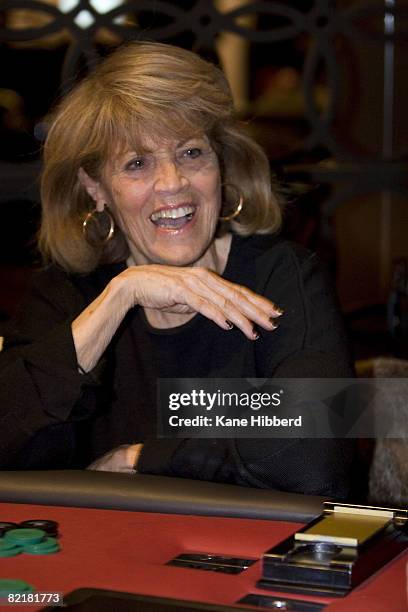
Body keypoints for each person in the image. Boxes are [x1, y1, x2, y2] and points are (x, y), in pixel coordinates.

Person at [0, 42, 354, 496]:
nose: (172, 184)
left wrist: (144, 458)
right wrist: (120, 296)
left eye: (190, 153)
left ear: (220, 164)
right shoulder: (67, 294)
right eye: (137, 163)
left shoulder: (285, 276)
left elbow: (314, 460)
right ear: (95, 186)